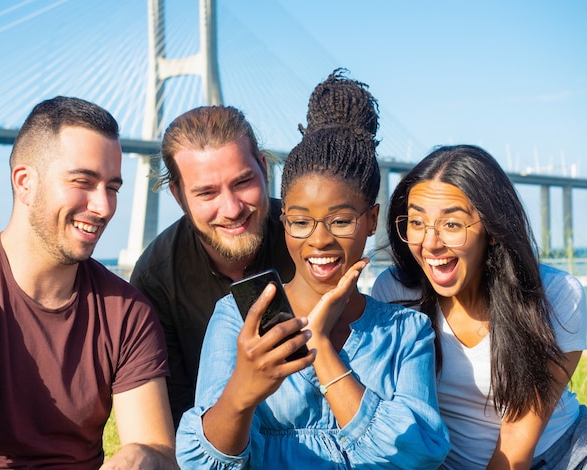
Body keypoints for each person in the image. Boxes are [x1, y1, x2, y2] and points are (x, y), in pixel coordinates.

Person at [176, 69, 450, 468]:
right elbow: (202, 464)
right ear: (284, 219)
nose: (319, 240)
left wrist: (320, 346)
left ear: (372, 220)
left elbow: (417, 454)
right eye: (301, 222)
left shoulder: (405, 333)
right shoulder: (240, 318)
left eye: (340, 221)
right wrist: (242, 391)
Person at [0, 96, 178, 469]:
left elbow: (159, 449)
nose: (104, 206)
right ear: (25, 183)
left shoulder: (127, 311)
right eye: (84, 182)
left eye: (112, 187)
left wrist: (141, 456)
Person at [371, 144, 587, 469]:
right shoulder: (394, 291)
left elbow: (515, 446)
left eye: (452, 225)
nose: (430, 243)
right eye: (417, 222)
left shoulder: (557, 296)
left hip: (563, 455)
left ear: (493, 229)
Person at [130, 105, 294, 428]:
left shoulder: (305, 237)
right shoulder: (155, 279)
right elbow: (174, 423)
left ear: (264, 169)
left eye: (243, 181)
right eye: (206, 193)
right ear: (178, 197)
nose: (232, 209)